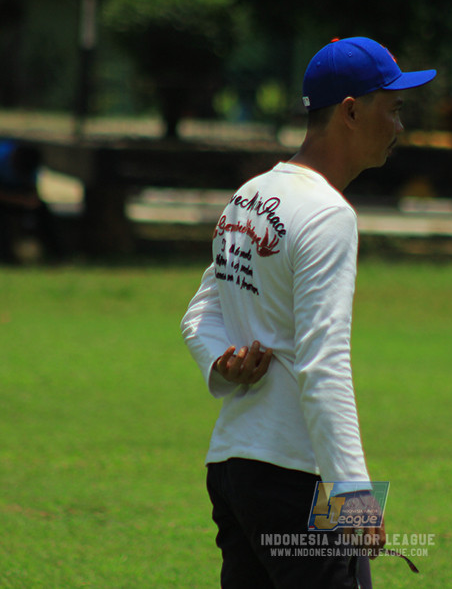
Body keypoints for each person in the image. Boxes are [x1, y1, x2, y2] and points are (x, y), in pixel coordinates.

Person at [181, 37, 436, 588]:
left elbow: (199, 313)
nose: (399, 126)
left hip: (234, 465)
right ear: (351, 111)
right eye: (393, 108)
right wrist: (354, 493)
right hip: (296, 474)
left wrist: (221, 361)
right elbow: (324, 360)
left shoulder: (250, 196)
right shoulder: (327, 214)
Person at [0, 138, 63, 263]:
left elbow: (32, 187)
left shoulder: (30, 161)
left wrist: (31, 201)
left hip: (15, 191)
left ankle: (58, 255)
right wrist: (15, 200)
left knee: (42, 210)